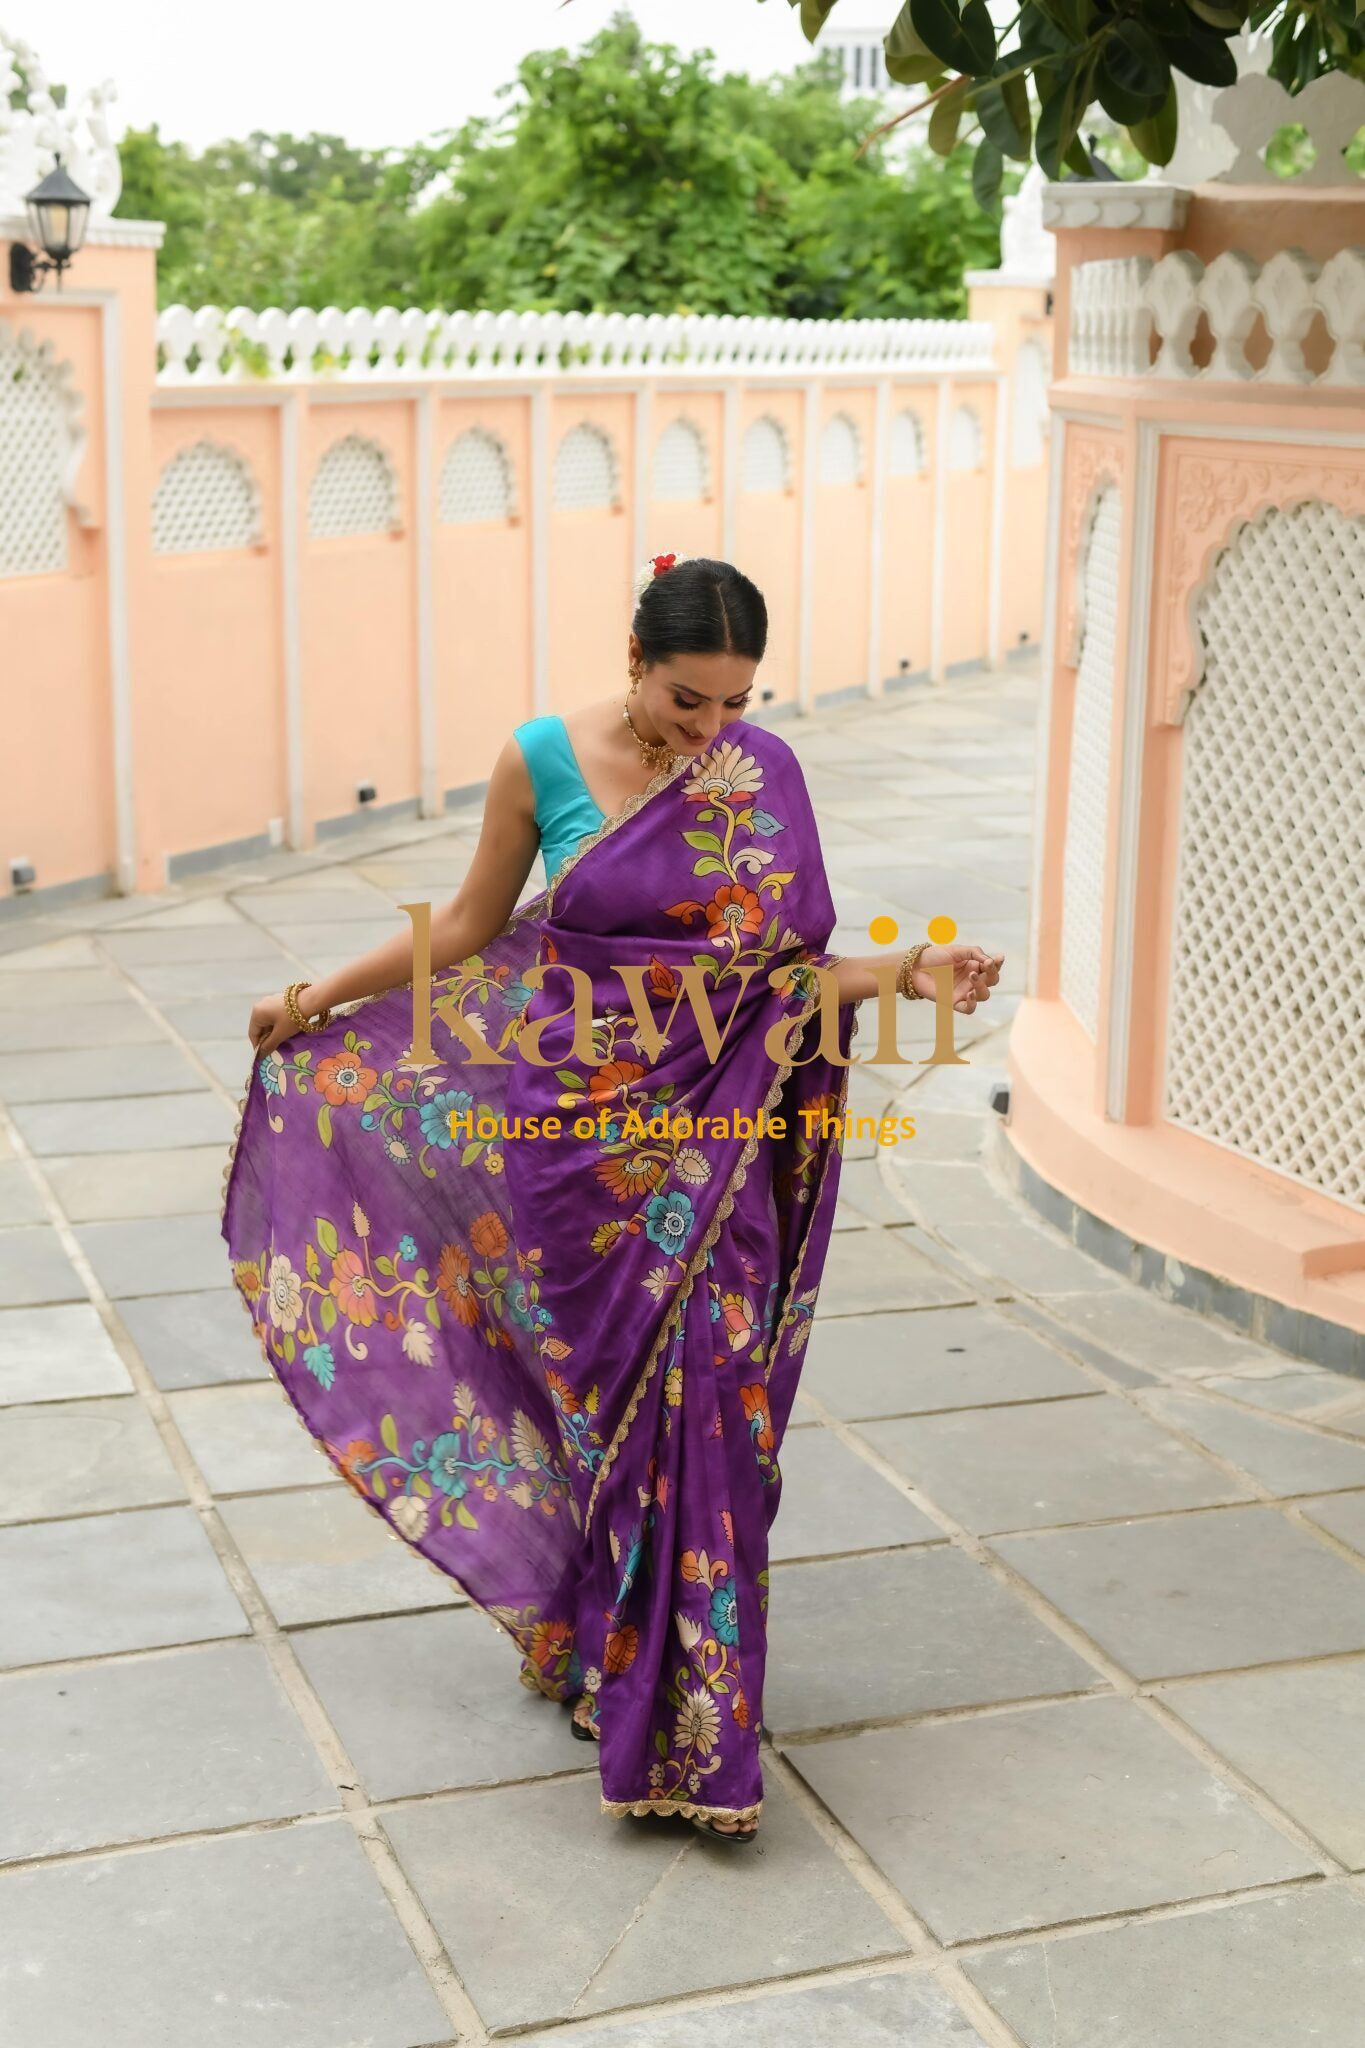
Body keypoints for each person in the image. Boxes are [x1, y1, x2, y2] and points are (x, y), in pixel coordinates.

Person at [224, 553, 1003, 1846]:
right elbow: (473, 924)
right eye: (684, 699)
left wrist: (913, 967)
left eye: (735, 703)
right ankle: (606, 1648)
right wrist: (318, 996)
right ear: (632, 652)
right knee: (603, 1420)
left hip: (716, 1149)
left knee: (714, 1415)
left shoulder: (762, 782)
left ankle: (687, 1715)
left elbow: (784, 981)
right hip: (571, 1147)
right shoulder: (539, 757)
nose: (707, 730)